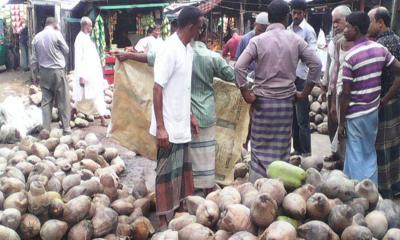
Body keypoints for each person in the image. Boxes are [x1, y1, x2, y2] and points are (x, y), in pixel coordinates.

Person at [117, 19, 234, 195]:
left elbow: (149, 58)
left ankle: (185, 194)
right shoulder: (212, 57)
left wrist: (128, 56)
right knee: (205, 157)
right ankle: (205, 193)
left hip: (182, 116)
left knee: (183, 160)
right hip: (204, 113)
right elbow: (232, 76)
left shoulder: (176, 52)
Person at [235, 0, 322, 182]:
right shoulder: (296, 40)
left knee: (258, 149)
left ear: (269, 17)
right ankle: (278, 189)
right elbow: (316, 64)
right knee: (282, 149)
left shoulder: (257, 41)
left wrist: (246, 95)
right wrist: (305, 93)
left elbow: (239, 67)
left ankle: (258, 188)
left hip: (262, 104)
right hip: (285, 104)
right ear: (286, 16)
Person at [149, 6, 203, 229]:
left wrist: (190, 114)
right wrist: (161, 127)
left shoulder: (188, 50)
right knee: (165, 172)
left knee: (182, 169)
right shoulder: (169, 49)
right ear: (190, 27)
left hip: (181, 122)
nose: (200, 32)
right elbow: (157, 88)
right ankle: (162, 218)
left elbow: (184, 87)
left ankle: (180, 209)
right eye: (199, 27)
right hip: (169, 125)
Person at [338, 11, 400, 185]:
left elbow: (346, 94)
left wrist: (342, 122)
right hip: (373, 111)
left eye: (348, 27)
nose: (344, 30)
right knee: (367, 152)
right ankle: (353, 187)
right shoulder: (380, 49)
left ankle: (363, 194)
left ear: (356, 29)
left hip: (356, 114)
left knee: (357, 155)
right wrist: (385, 99)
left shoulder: (350, 57)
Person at [368, 7, 400, 197]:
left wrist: (384, 99)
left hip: (385, 101)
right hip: (395, 100)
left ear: (380, 22)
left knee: (383, 148)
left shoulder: (381, 46)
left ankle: (385, 191)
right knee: (395, 147)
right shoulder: (397, 40)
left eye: (371, 21)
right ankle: (396, 186)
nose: (369, 25)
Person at [321, 5, 352, 167]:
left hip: (343, 90)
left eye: (338, 22)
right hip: (332, 88)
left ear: (348, 21)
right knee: (332, 122)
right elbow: (329, 64)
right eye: (333, 22)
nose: (335, 25)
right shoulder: (333, 42)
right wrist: (325, 84)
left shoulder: (350, 43)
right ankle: (335, 153)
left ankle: (343, 158)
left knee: (342, 124)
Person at [235, 12, 269, 153]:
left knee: (259, 118)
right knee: (245, 118)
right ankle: (244, 145)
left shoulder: (268, 39)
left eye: (264, 30)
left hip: (263, 84)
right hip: (248, 84)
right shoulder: (246, 39)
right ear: (255, 25)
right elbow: (238, 62)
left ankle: (257, 146)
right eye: (259, 29)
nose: (261, 33)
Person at [31, 17, 71, 135]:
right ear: (55, 24)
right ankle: (66, 128)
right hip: (57, 71)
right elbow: (67, 50)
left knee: (46, 101)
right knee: (63, 99)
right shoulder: (56, 34)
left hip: (44, 72)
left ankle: (46, 129)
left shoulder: (36, 37)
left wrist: (34, 75)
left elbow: (33, 59)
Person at [288, 0, 317, 157]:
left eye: (299, 13)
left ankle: (306, 152)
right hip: (290, 77)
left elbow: (312, 55)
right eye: (294, 12)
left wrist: (297, 56)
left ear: (304, 13)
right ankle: (297, 148)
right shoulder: (288, 29)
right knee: (293, 117)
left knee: (302, 119)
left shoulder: (308, 31)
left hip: (302, 77)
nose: (297, 15)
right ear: (291, 12)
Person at [73, 17, 109, 127]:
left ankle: (72, 112)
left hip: (92, 72)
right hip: (86, 73)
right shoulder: (79, 39)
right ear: (85, 26)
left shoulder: (87, 37)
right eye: (90, 26)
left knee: (89, 95)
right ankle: (102, 118)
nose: (92, 28)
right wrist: (81, 76)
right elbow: (78, 59)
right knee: (93, 95)